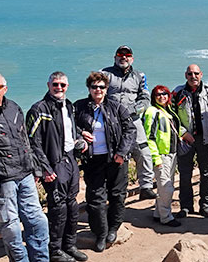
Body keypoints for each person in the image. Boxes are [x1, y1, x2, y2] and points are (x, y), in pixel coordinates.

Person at [0, 73, 50, 262]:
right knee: (11, 227)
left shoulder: (14, 107)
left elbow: (24, 140)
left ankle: (41, 259)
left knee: (38, 220)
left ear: (5, 88)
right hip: (2, 179)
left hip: (25, 174)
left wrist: (34, 167)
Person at [26, 73, 88, 262]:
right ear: (48, 85)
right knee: (57, 207)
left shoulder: (68, 105)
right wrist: (44, 167)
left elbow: (69, 130)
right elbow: (31, 142)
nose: (58, 87)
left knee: (72, 204)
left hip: (70, 160)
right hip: (54, 163)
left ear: (67, 86)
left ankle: (69, 245)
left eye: (62, 84)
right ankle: (55, 249)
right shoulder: (39, 109)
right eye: (55, 84)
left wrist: (80, 139)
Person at [73, 71, 135, 253]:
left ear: (107, 89)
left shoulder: (117, 107)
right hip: (93, 159)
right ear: (89, 89)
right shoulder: (79, 107)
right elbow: (68, 127)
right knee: (95, 198)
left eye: (101, 87)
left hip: (115, 159)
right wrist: (80, 133)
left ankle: (113, 228)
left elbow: (130, 130)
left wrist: (122, 152)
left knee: (117, 195)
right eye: (94, 87)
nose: (98, 90)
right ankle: (101, 232)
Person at [102, 45, 155, 200]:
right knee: (112, 153)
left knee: (143, 150)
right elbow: (96, 94)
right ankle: (108, 188)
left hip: (133, 118)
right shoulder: (104, 74)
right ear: (115, 57)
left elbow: (145, 98)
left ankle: (146, 186)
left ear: (132, 58)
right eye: (120, 54)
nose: (123, 57)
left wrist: (135, 110)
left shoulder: (140, 75)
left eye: (127, 55)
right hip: (111, 120)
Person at [171, 64, 208, 218]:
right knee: (185, 174)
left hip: (206, 139)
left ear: (201, 74)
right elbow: (171, 117)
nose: (193, 76)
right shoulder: (178, 92)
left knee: (207, 174)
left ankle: (205, 205)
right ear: (185, 75)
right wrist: (183, 133)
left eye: (196, 73)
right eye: (190, 74)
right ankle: (186, 206)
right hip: (186, 140)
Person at [143, 85, 183, 227]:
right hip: (161, 155)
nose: (162, 96)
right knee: (167, 187)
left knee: (164, 186)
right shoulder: (151, 112)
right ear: (153, 97)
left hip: (171, 154)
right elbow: (149, 137)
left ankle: (158, 213)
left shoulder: (168, 111)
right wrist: (156, 157)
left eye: (165, 93)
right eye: (158, 95)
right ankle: (166, 217)